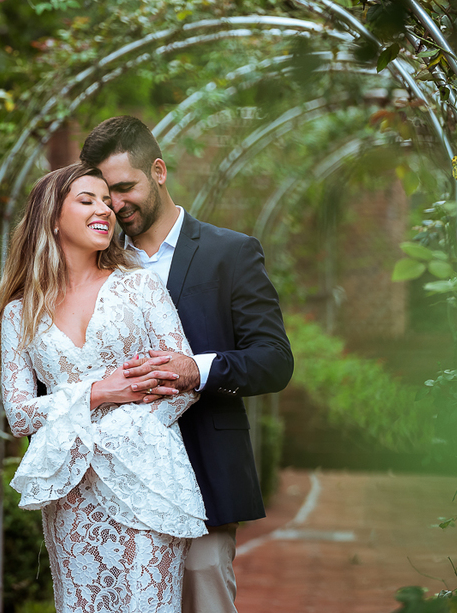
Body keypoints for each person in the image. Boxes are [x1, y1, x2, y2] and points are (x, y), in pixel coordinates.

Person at [79, 116, 294, 613]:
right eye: (104, 195)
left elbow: (274, 360)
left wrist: (197, 370)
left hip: (204, 472)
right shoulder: (95, 263)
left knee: (204, 596)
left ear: (158, 171)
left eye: (124, 188)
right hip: (114, 480)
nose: (115, 205)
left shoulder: (231, 253)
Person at [0, 162, 208, 613]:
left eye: (107, 202)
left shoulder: (141, 288)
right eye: (87, 200)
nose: (105, 210)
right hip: (71, 488)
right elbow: (19, 414)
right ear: (53, 218)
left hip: (147, 477)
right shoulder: (20, 311)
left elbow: (184, 383)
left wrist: (119, 435)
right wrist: (99, 392)